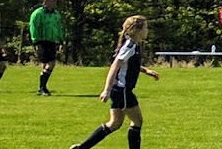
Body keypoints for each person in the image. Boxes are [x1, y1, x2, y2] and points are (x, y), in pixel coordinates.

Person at [68, 14, 159, 149]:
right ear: (137, 30)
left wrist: (146, 71)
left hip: (120, 90)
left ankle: (81, 148)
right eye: (146, 27)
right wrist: (107, 89)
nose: (147, 31)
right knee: (137, 121)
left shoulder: (133, 45)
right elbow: (115, 66)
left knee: (114, 123)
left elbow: (128, 65)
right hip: (122, 90)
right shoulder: (130, 46)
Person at [28, 0, 65, 95]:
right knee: (51, 63)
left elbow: (58, 28)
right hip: (42, 41)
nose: (55, 2)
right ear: (46, 1)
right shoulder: (38, 13)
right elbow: (34, 28)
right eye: (52, 0)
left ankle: (42, 88)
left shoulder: (56, 14)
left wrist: (61, 40)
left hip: (52, 41)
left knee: (45, 65)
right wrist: (36, 42)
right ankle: (42, 87)